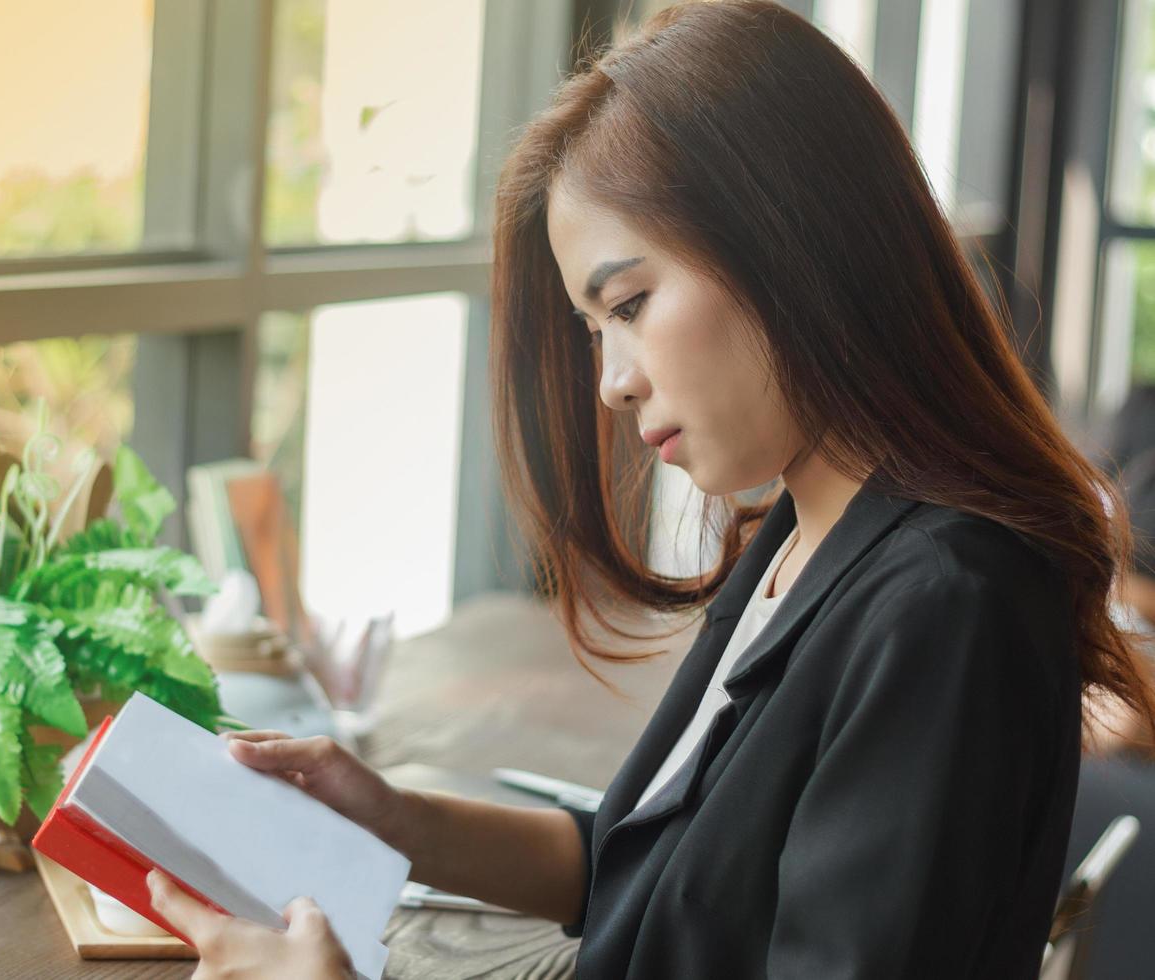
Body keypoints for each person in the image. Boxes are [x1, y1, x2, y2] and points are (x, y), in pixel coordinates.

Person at [145, 2, 1155, 977]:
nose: (612, 381)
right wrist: (396, 818)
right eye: (598, 330)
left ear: (791, 241)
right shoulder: (811, 530)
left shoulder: (942, 604)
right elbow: (660, 875)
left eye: (629, 303)